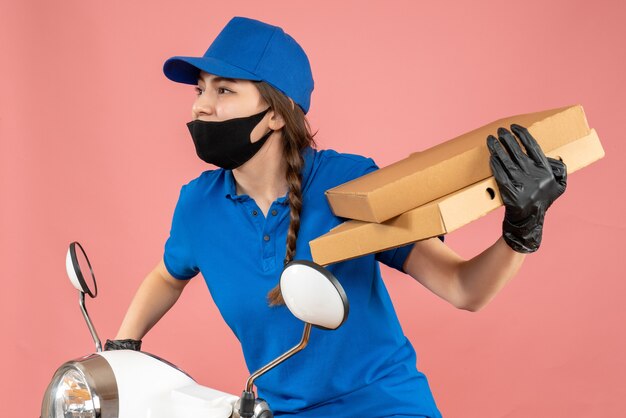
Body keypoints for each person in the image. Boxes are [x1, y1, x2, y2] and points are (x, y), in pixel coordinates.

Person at [105, 16, 567, 417]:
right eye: (200, 89)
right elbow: (168, 276)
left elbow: (463, 288)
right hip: (278, 413)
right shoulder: (197, 205)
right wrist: (123, 350)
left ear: (275, 114)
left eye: (224, 90)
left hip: (385, 407)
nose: (200, 105)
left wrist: (521, 230)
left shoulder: (351, 185)